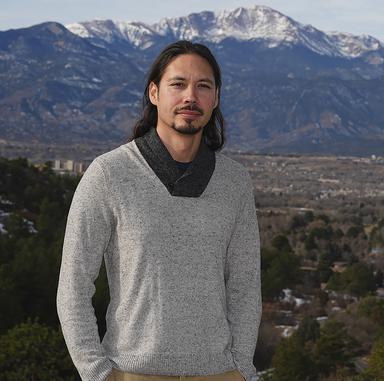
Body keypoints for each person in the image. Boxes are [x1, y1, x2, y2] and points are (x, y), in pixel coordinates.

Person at [56, 40, 261, 381]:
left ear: (216, 99)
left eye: (203, 86)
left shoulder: (235, 182)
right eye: (178, 84)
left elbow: (245, 286)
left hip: (220, 373)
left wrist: (241, 368)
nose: (190, 97)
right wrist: (97, 373)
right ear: (154, 93)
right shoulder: (109, 174)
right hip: (131, 373)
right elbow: (73, 286)